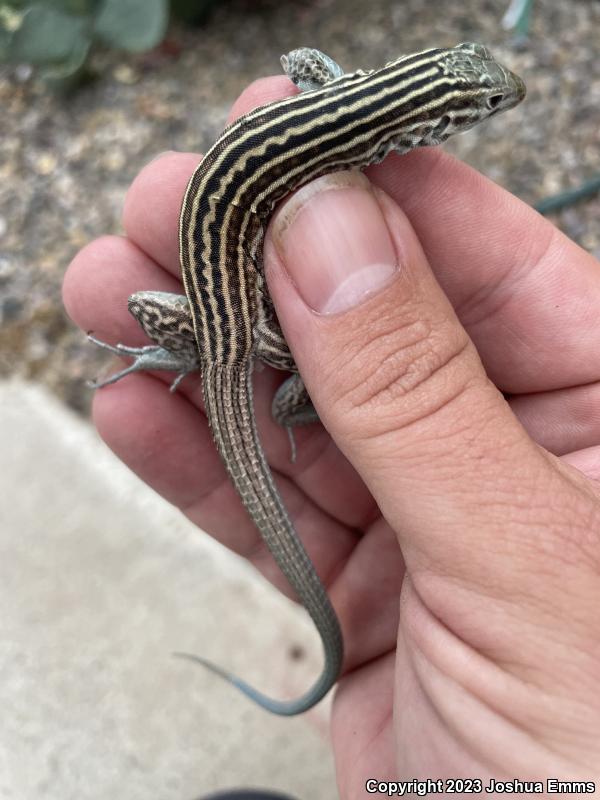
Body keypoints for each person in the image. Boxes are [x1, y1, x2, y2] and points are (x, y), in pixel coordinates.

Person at [63, 74, 600, 789]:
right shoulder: (367, 142)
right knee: (226, 328)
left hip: (221, 293)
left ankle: (176, 352)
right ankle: (192, 359)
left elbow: (298, 60)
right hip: (233, 309)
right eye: (488, 102)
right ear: (432, 123)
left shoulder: (347, 104)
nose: (505, 103)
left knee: (144, 301)